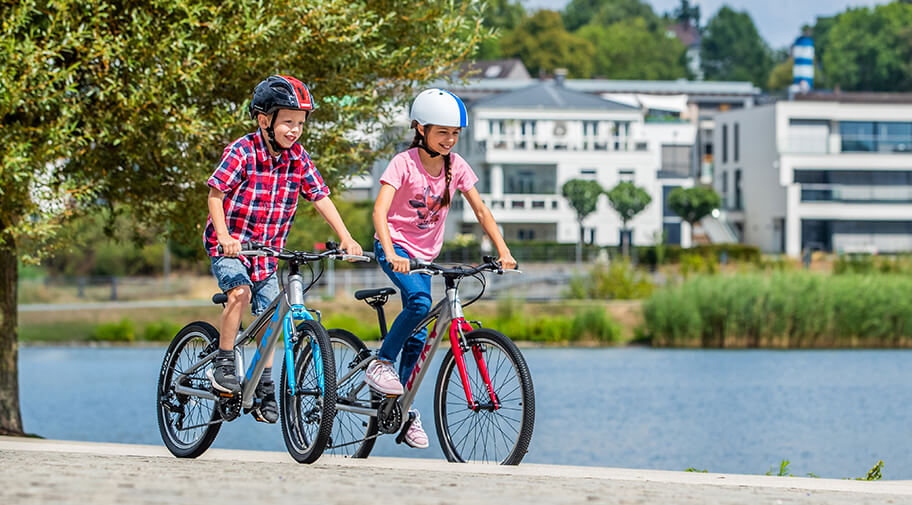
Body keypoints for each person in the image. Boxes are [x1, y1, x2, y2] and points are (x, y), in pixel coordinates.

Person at [203, 75, 363, 423]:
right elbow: (215, 195)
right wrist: (225, 235)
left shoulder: (298, 158)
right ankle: (224, 361)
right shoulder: (242, 151)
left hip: (267, 252)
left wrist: (346, 236)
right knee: (240, 294)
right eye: (288, 121)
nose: (295, 130)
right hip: (229, 246)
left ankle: (263, 385)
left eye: (301, 123)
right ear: (265, 120)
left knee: (273, 317)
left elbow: (320, 196)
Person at [370, 89, 517, 448]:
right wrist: (390, 252)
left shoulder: (456, 166)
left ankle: (400, 408)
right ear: (420, 129)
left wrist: (504, 251)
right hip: (395, 245)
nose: (450, 140)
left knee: (420, 333)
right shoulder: (404, 164)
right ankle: (382, 362)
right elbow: (379, 212)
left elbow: (481, 210)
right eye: (442, 133)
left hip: (425, 255)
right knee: (419, 304)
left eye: (454, 134)